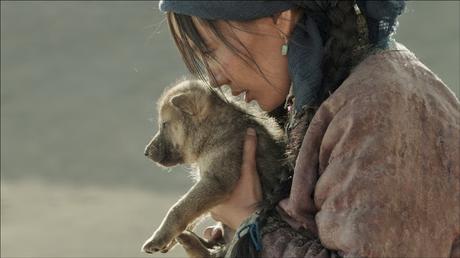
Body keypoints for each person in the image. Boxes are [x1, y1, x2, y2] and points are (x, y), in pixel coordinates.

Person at [157, 0, 460, 257]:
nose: (214, 79)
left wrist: (250, 223)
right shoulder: (329, 96)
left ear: (281, 18)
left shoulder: (381, 110)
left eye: (210, 51)